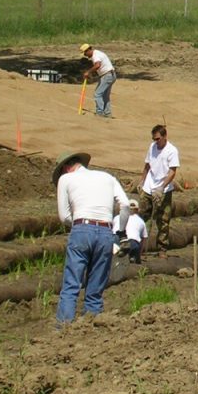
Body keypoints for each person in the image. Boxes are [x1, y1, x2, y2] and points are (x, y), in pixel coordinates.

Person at [54, 151, 129, 324]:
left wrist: (81, 226)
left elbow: (64, 217)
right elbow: (125, 205)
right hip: (105, 232)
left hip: (81, 228)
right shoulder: (107, 177)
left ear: (66, 168)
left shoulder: (65, 179)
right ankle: (91, 328)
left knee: (72, 284)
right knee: (95, 287)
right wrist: (121, 232)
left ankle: (63, 329)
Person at [139, 124, 180, 258]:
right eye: (154, 139)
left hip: (163, 189)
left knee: (163, 220)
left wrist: (162, 187)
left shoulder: (171, 151)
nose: (155, 142)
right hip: (149, 187)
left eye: (157, 139)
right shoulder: (152, 147)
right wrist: (142, 181)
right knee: (143, 217)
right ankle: (141, 248)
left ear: (164, 137)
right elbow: (147, 165)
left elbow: (172, 172)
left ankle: (162, 248)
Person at [80, 43, 116, 118]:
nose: (85, 55)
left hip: (107, 75)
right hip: (110, 75)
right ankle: (107, 113)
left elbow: (97, 65)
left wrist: (88, 72)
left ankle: (100, 112)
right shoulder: (97, 53)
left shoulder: (95, 55)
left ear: (88, 50)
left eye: (85, 53)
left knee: (97, 94)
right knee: (105, 95)